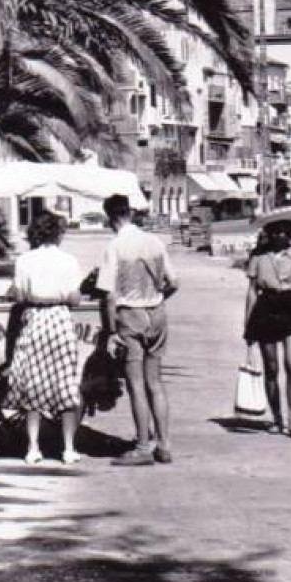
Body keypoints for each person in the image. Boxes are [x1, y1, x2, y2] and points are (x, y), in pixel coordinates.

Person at [97, 194, 179, 465]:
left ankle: (143, 447)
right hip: (157, 314)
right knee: (155, 382)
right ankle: (164, 444)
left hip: (129, 315)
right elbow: (174, 281)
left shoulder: (115, 246)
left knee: (136, 385)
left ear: (111, 218)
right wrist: (157, 299)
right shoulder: (154, 241)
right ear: (130, 213)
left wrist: (110, 331)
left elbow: (108, 295)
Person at [5, 213, 86, 465]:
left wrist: (30, 294)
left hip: (35, 320)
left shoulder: (25, 260)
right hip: (60, 320)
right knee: (65, 384)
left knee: (34, 384)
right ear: (58, 233)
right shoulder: (69, 261)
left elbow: (18, 296)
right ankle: (69, 448)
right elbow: (74, 299)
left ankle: (32, 448)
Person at [242, 219, 291, 437]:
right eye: (274, 231)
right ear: (269, 233)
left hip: (290, 306)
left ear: (289, 233)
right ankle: (276, 417)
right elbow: (252, 291)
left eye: (283, 231)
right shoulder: (258, 256)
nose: (279, 235)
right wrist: (248, 323)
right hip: (266, 307)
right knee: (271, 368)